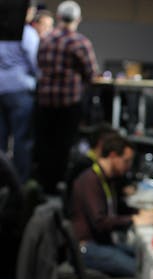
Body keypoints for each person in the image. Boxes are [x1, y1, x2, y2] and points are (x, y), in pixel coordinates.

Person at [34, 0, 99, 194]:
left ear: (58, 17)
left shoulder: (44, 39)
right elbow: (91, 73)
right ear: (77, 19)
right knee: (64, 145)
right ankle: (59, 188)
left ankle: (44, 187)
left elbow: (39, 64)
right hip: (68, 102)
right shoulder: (79, 42)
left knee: (45, 145)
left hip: (44, 101)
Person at [71, 134, 153, 277]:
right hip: (87, 247)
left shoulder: (104, 178)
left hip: (100, 242)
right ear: (113, 156)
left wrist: (141, 213)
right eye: (126, 161)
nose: (128, 167)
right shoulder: (90, 181)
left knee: (144, 258)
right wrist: (134, 220)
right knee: (143, 270)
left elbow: (116, 208)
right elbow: (100, 222)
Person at [0, 0, 39, 183]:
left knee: (1, 140)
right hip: (20, 90)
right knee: (21, 140)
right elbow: (35, 63)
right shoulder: (27, 33)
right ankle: (20, 183)